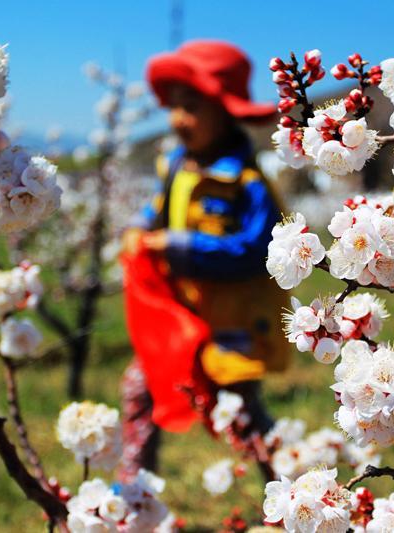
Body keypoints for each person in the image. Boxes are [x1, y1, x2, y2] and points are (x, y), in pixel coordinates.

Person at [118, 40, 290, 480]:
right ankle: (133, 499)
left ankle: (291, 500)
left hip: (230, 322)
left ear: (225, 111)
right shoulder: (175, 167)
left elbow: (255, 251)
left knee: (242, 412)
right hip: (179, 316)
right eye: (174, 107)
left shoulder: (247, 184)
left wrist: (178, 246)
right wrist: (141, 230)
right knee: (140, 389)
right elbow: (156, 210)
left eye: (191, 107)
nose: (178, 119)